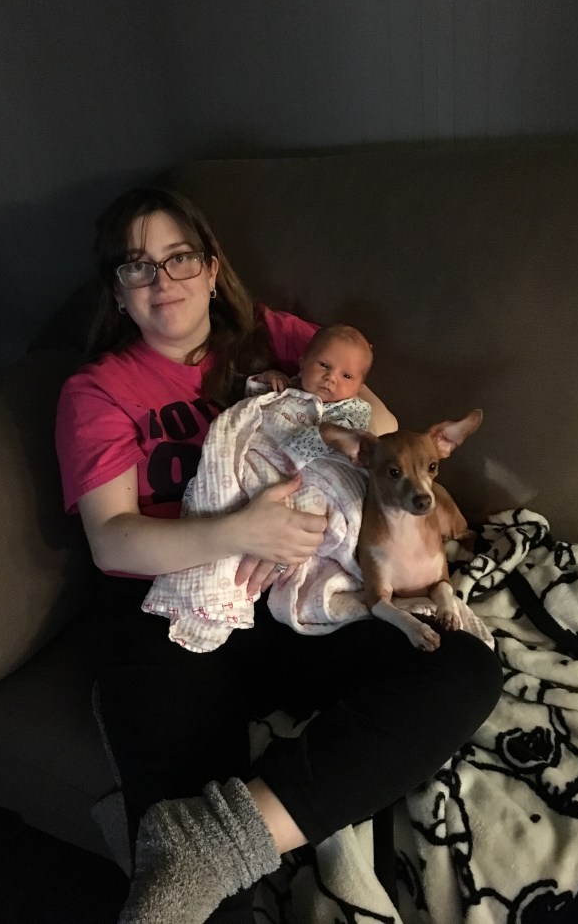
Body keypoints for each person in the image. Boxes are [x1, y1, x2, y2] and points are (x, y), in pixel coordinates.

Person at [55, 185, 503, 924]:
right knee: (201, 911)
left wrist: (319, 496)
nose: (163, 281)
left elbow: (378, 429)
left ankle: (215, 843)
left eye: (179, 258)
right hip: (172, 614)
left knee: (464, 667)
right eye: (137, 266)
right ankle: (219, 843)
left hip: (297, 595)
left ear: (211, 267)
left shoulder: (272, 336)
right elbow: (112, 540)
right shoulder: (97, 391)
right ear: (118, 289)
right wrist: (239, 532)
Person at [142, 323, 377, 653]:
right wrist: (266, 381)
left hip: (312, 483)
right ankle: (208, 591)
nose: (331, 378)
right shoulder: (287, 389)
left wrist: (327, 436)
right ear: (302, 362)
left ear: (360, 386)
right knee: (224, 499)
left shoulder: (353, 410)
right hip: (262, 471)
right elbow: (253, 413)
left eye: (346, 376)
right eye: (324, 365)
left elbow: (339, 452)